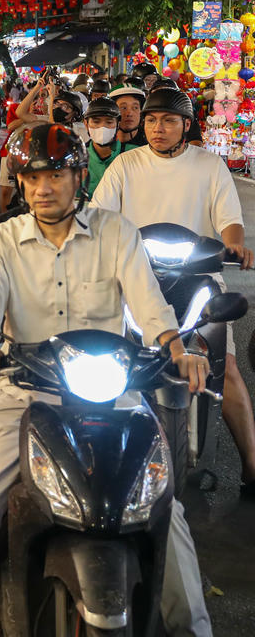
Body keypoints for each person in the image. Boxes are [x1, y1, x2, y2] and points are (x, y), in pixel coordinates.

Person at [0, 124, 211, 637]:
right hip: (27, 391)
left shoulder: (115, 232)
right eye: (33, 176)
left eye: (57, 174)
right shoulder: (0, 242)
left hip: (115, 391)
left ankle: (195, 628)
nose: (44, 187)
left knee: (164, 507)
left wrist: (178, 348)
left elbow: (149, 303)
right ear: (20, 183)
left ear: (78, 177)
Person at [92, 87, 255, 495]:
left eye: (167, 120)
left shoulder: (210, 165)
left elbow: (229, 220)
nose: (157, 128)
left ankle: (252, 464)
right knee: (103, 360)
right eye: (150, 120)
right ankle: (98, 460)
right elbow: (98, 215)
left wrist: (233, 244)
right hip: (134, 278)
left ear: (186, 125)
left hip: (198, 277)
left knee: (226, 364)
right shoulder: (125, 165)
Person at [83, 97, 134, 197]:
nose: (102, 127)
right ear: (86, 124)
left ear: (118, 124)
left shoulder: (133, 154)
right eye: (96, 122)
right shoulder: (78, 158)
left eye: (109, 122)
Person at [109, 81, 147, 147]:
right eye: (123, 108)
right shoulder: (101, 144)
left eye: (135, 107)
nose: (129, 113)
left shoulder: (150, 144)